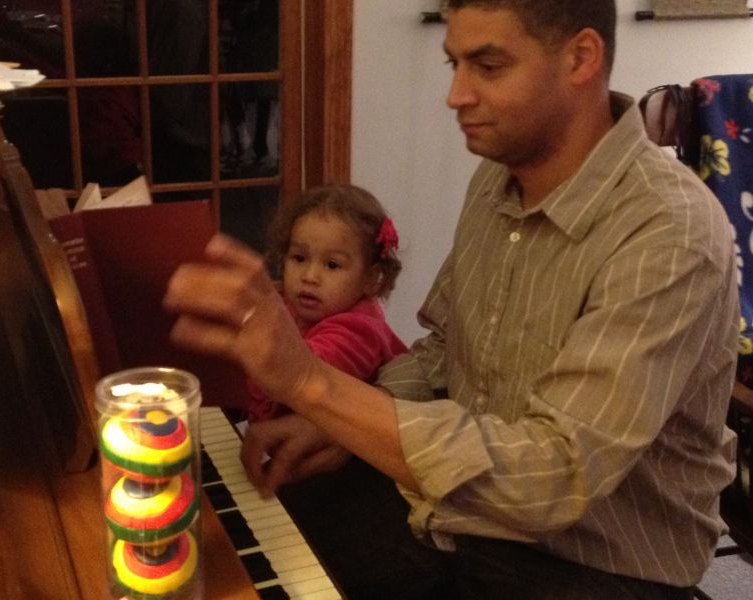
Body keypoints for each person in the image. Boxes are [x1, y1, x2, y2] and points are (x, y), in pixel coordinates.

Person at [164, 1, 739, 598]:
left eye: (487, 67)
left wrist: (312, 383)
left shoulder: (669, 231)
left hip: (597, 561)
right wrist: (339, 424)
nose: (456, 95)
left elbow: (555, 477)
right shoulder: (497, 179)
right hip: (464, 515)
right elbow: (446, 347)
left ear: (580, 58)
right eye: (454, 65)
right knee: (244, 534)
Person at [247, 183, 407, 421]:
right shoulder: (293, 304)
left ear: (369, 279)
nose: (309, 276)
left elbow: (304, 374)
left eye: (332, 265)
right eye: (299, 258)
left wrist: (246, 328)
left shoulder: (360, 332)